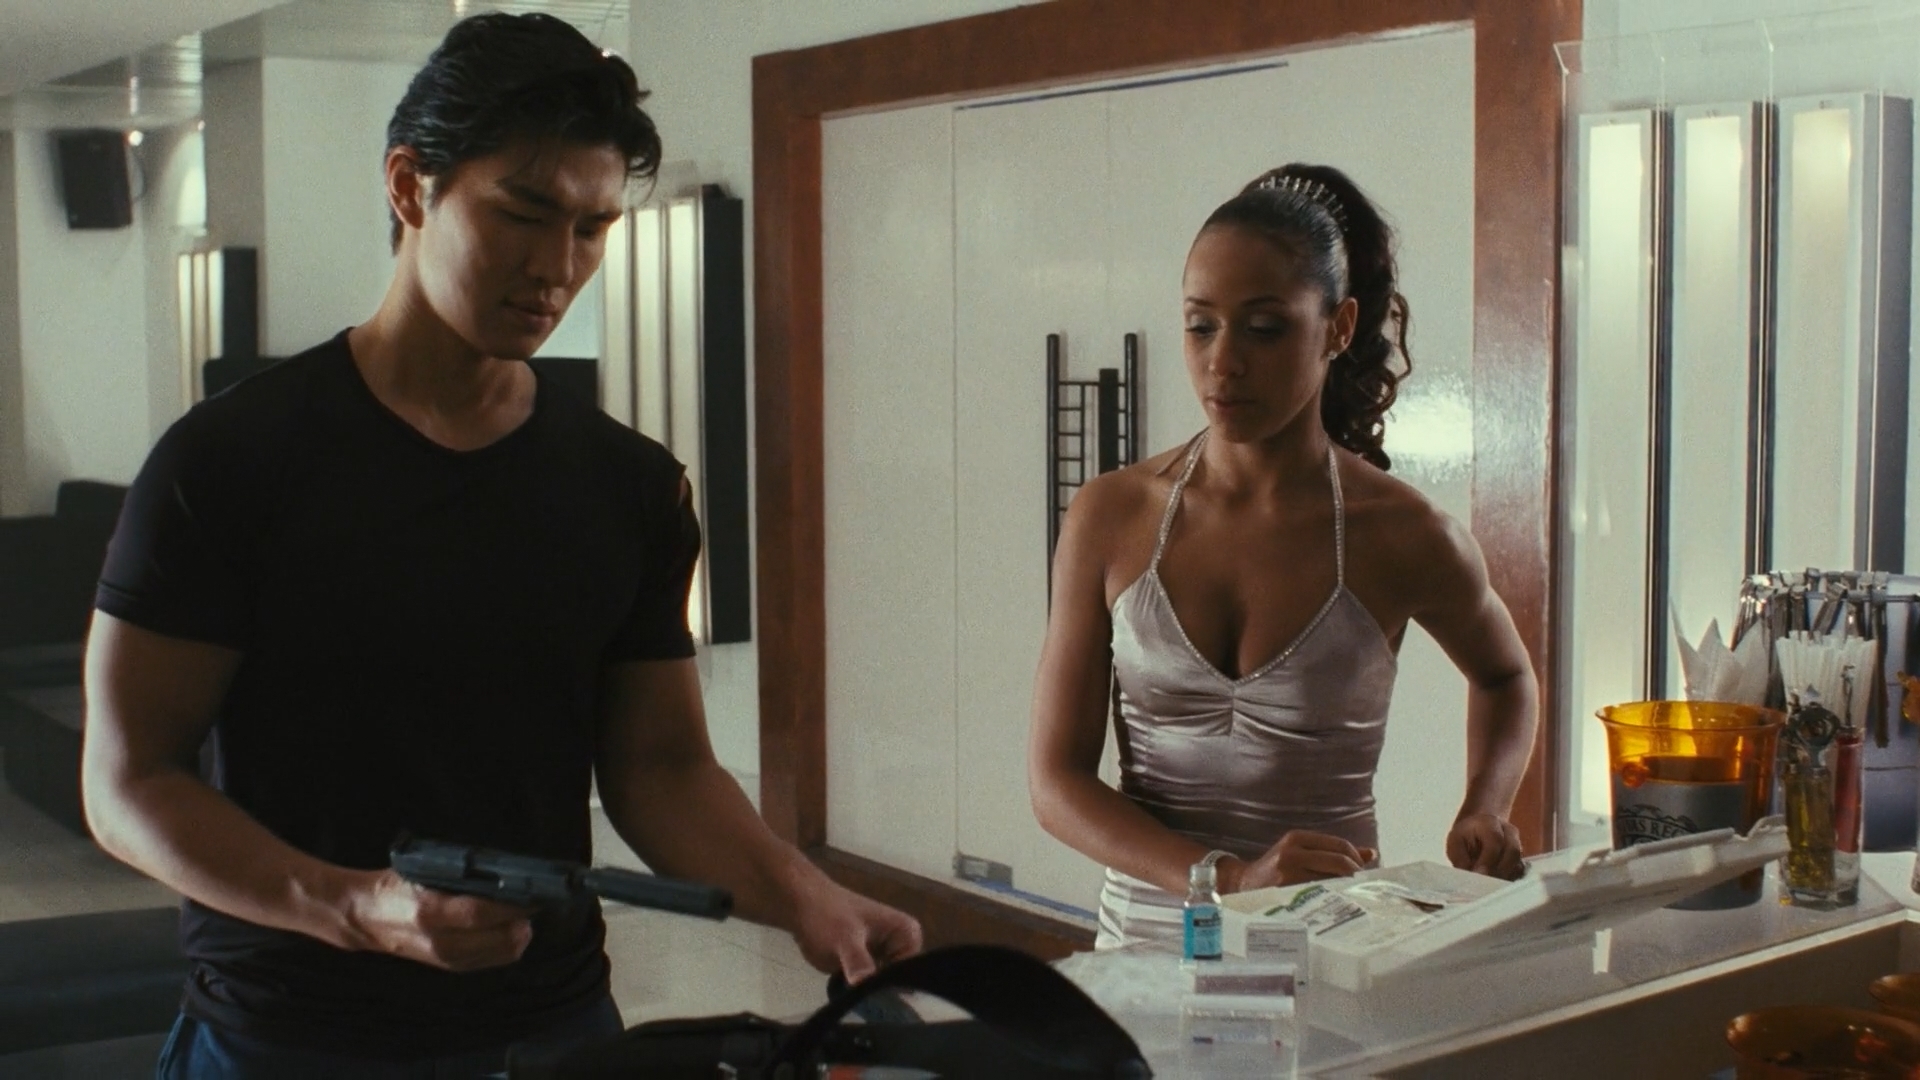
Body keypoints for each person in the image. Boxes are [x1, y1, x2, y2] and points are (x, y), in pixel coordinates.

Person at [80, 13, 920, 1077]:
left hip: (552, 1028)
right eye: (522, 213)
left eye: (592, 228)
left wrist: (805, 894)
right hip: (286, 1034)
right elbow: (128, 782)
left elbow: (660, 768)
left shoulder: (627, 485)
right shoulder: (230, 463)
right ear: (409, 186)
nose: (556, 266)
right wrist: (354, 906)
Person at [1027, 164, 1539, 948]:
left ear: (1338, 327)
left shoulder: (1404, 534)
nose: (1223, 362)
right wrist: (1228, 880)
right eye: (1201, 326)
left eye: (1264, 329)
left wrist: (1485, 807)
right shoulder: (1111, 516)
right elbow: (1055, 783)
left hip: (1328, 943)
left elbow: (1506, 677)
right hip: (1144, 946)